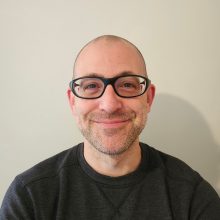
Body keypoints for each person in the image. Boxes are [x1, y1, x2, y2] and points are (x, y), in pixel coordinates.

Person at [1, 35, 220, 220]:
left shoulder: (192, 195)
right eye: (91, 86)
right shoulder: (29, 196)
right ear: (73, 102)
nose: (109, 105)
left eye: (126, 84)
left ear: (148, 99)